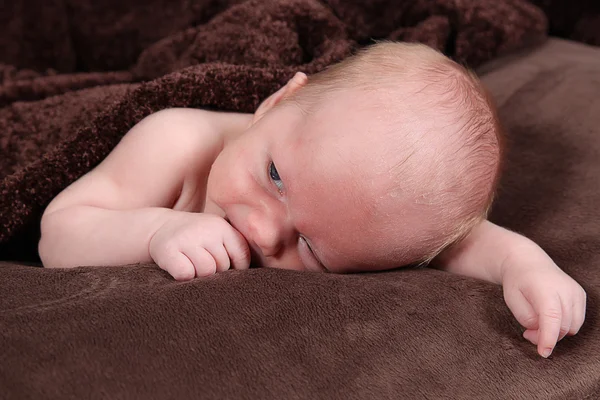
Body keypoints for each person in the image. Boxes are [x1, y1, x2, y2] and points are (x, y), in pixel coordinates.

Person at [38, 42, 586, 358]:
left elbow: (454, 243)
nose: (265, 232)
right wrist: (156, 232)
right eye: (274, 176)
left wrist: (527, 266)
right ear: (279, 100)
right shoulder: (175, 141)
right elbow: (58, 230)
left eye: (311, 249)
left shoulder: (368, 217)